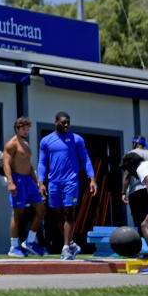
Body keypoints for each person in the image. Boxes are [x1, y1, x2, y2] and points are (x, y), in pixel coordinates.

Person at [37, 111, 97, 260]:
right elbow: (42, 163)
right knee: (59, 215)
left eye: (68, 122)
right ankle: (70, 243)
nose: (66, 125)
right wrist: (40, 182)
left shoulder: (76, 139)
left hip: (71, 181)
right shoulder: (46, 141)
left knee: (70, 212)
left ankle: (65, 248)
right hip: (53, 182)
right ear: (56, 122)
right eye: (63, 122)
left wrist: (92, 179)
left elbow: (86, 159)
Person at [2, 116, 47, 257]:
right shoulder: (11, 144)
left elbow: (30, 165)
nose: (26, 130)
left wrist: (39, 183)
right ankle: (14, 247)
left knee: (41, 210)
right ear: (17, 128)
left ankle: (30, 242)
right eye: (24, 128)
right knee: (18, 214)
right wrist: (10, 182)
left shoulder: (26, 145)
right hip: (17, 180)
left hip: (29, 180)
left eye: (28, 128)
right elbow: (6, 164)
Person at [122, 136, 148, 233]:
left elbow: (127, 175)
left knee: (139, 220)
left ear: (135, 143)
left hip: (137, 191)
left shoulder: (131, 154)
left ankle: (143, 244)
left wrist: (123, 192)